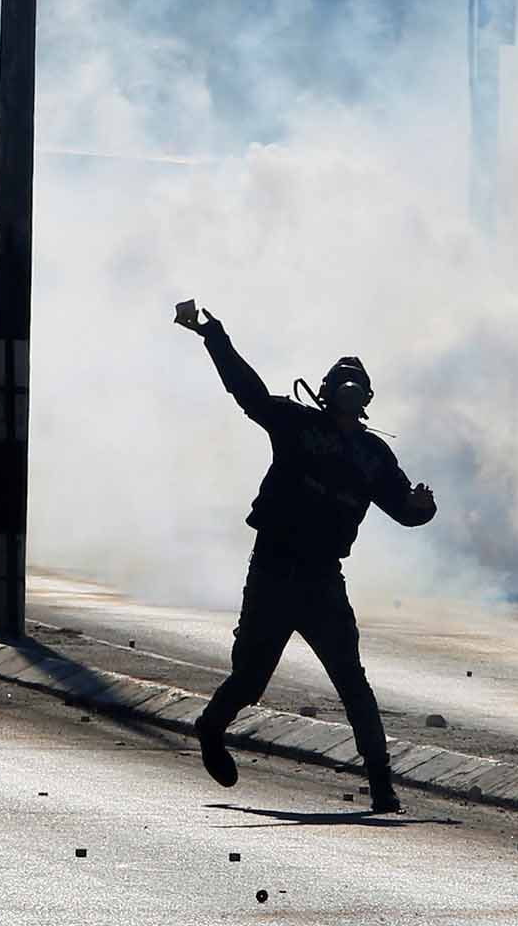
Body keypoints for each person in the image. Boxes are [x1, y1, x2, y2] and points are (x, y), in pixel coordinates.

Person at [179, 305, 437, 815]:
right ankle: (211, 728)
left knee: (352, 682)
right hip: (274, 568)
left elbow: (403, 510)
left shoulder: (373, 456)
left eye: (356, 387)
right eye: (342, 385)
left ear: (365, 399)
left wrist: (423, 509)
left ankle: (382, 785)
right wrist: (214, 336)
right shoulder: (296, 425)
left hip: (323, 578)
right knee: (251, 678)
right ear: (325, 392)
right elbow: (247, 393)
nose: (349, 393)